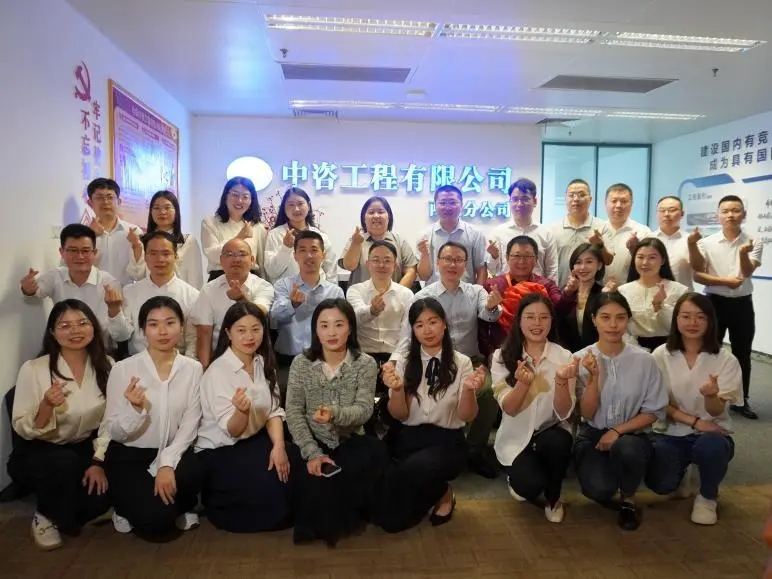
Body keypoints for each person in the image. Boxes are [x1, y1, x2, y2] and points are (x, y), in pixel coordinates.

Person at [374, 298, 485, 532]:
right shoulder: (404, 362)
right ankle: (432, 491)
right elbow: (399, 415)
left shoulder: (462, 362)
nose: (427, 330)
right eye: (419, 324)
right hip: (406, 437)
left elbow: (467, 416)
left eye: (433, 322)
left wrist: (468, 390)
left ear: (444, 324)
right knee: (387, 518)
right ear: (413, 330)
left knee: (414, 472)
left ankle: (442, 493)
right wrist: (397, 390)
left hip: (446, 441)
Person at [394, 241, 502, 479]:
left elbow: (489, 314)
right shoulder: (423, 296)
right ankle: (436, 446)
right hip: (429, 360)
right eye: (447, 259)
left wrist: (493, 307)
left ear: (465, 264)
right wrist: (394, 362)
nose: (453, 264)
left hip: (469, 361)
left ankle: (474, 450)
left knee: (488, 391)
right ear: (437, 262)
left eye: (458, 260)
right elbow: (407, 335)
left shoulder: (476, 291)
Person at [284, 299, 388, 546]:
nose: (331, 332)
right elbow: (294, 411)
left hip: (351, 439)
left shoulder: (365, 363)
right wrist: (312, 453)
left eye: (339, 325)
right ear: (315, 330)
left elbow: (364, 410)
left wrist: (334, 414)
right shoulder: (301, 363)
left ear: (350, 328)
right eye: (324, 325)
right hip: (310, 441)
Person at [11, 300, 112, 550]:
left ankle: (67, 509)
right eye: (65, 326)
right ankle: (45, 515)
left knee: (105, 493)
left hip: (85, 447)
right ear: (52, 333)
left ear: (94, 327)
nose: (75, 331)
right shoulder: (34, 369)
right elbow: (22, 426)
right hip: (40, 449)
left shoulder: (107, 365)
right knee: (64, 465)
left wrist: (98, 462)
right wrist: (46, 404)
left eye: (82, 323)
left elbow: (111, 421)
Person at [195, 302, 303, 532]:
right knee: (269, 484)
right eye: (241, 330)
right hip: (221, 448)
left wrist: (279, 446)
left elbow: (274, 411)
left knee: (294, 458)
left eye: (255, 329)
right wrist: (241, 412)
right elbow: (232, 430)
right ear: (228, 333)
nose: (249, 337)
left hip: (254, 439)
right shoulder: (218, 371)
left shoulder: (262, 362)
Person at [103, 296, 203, 539]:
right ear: (143, 330)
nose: (163, 331)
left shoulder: (193, 368)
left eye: (170, 322)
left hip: (175, 450)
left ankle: (179, 504)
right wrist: (134, 410)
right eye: (153, 324)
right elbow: (112, 430)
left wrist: (166, 463)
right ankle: (123, 507)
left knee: (199, 467)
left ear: (181, 326)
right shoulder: (123, 369)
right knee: (156, 525)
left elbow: (190, 424)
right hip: (131, 455)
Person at [573, 292, 668, 531]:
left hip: (632, 435)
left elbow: (653, 410)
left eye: (620, 317)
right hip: (593, 434)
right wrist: (593, 378)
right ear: (593, 319)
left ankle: (628, 498)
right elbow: (586, 412)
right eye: (605, 317)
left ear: (628, 319)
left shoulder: (645, 360)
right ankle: (613, 475)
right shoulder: (580, 359)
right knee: (598, 489)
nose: (613, 325)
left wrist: (617, 431)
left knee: (628, 448)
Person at [645, 293, 740, 525]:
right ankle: (684, 473)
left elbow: (716, 412)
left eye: (700, 317)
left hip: (712, 432)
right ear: (676, 320)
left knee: (711, 447)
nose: (693, 322)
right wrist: (695, 422)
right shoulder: (661, 355)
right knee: (661, 484)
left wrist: (711, 396)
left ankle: (707, 496)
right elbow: (659, 403)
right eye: (686, 316)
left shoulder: (725, 359)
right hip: (671, 430)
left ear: (710, 321)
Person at [491, 294, 577, 523]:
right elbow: (509, 409)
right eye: (530, 317)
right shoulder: (502, 356)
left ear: (552, 321)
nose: (537, 323)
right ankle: (521, 476)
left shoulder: (564, 357)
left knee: (559, 441)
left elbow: (564, 413)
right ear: (519, 321)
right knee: (528, 486)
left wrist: (561, 382)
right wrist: (522, 384)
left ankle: (554, 499)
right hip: (516, 435)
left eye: (543, 317)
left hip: (550, 430)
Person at [688, 194, 763, 420]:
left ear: (744, 215)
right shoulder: (706, 243)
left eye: (736, 210)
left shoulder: (754, 241)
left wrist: (742, 253)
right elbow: (698, 275)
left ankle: (741, 400)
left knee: (743, 353)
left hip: (742, 304)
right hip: (714, 303)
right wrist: (724, 281)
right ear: (718, 216)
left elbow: (747, 272)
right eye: (726, 211)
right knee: (710, 350)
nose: (730, 215)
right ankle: (704, 396)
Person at [20, 224, 132, 352]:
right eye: (73, 250)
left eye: (85, 250)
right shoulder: (55, 276)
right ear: (62, 252)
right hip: (64, 349)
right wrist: (27, 289)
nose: (79, 256)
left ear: (94, 253)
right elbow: (34, 291)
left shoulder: (109, 284)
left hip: (100, 351)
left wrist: (114, 310)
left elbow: (122, 336)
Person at [270, 231, 344, 379]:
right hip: (288, 360)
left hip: (325, 361)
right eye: (302, 250)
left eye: (314, 250)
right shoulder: (284, 285)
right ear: (295, 256)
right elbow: (275, 315)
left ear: (323, 255)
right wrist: (292, 304)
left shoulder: (335, 292)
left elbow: (343, 327)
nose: (309, 255)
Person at [191, 238, 275, 368]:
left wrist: (241, 299)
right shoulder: (209, 290)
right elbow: (204, 332)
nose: (236, 259)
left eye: (242, 254)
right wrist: (206, 369)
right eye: (229, 254)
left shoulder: (264, 286)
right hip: (220, 361)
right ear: (221, 260)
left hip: (256, 359)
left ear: (252, 260)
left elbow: (260, 314)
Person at [481, 235, 562, 356]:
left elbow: (560, 309)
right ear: (507, 257)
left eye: (528, 256)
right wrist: (488, 352)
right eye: (517, 255)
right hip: (501, 352)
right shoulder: (492, 286)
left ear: (536, 259)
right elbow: (481, 324)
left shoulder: (546, 286)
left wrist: (570, 292)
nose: (522, 261)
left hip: (539, 353)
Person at [122, 231, 199, 356]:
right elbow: (121, 335)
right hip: (137, 360)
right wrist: (114, 312)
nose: (159, 259)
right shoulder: (129, 291)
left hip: (177, 361)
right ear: (145, 257)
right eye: (153, 253)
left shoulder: (192, 295)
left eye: (166, 253)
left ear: (176, 257)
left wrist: (188, 365)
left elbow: (193, 340)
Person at [346, 240, 415, 377]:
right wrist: (372, 311)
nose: (381, 265)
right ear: (368, 264)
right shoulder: (355, 290)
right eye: (376, 260)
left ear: (395, 265)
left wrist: (395, 360)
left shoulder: (406, 294)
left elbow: (407, 332)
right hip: (361, 356)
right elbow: (354, 318)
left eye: (387, 260)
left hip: (396, 356)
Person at [618, 238, 688, 351]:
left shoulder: (679, 290)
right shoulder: (623, 291)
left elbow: (679, 327)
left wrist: (659, 306)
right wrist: (636, 350)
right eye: (640, 257)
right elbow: (621, 327)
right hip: (633, 349)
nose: (645, 262)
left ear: (663, 260)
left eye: (652, 258)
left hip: (669, 349)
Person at [486, 178, 558, 283]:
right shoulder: (498, 233)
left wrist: (551, 291)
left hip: (537, 290)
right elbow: (493, 270)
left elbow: (552, 270)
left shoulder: (546, 233)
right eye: (515, 199)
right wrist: (494, 256)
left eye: (525, 199)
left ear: (535, 201)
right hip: (508, 289)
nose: (519, 204)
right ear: (510, 202)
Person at [127, 191, 204, 289]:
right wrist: (136, 247)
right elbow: (136, 275)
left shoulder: (188, 241)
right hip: (150, 295)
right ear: (151, 212)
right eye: (156, 208)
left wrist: (194, 297)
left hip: (179, 294)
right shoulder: (141, 241)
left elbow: (195, 278)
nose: (162, 212)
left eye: (167, 208)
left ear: (176, 211)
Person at [339, 196, 418, 288]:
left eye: (380, 212)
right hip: (360, 296)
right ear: (364, 218)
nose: (376, 216)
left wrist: (396, 293)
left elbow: (411, 271)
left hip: (394, 296)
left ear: (389, 217)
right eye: (371, 212)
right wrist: (355, 243)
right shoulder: (356, 239)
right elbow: (349, 266)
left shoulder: (400, 241)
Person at [547, 179, 613, 289]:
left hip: (592, 292)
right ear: (565, 199)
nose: (576, 199)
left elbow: (609, 260)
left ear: (590, 199)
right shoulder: (552, 229)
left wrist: (600, 245)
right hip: (561, 291)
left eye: (581, 195)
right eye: (571, 195)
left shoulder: (602, 226)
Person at [264, 187, 337, 284]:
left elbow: (331, 270)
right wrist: (286, 248)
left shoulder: (320, 235)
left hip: (318, 290)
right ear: (284, 208)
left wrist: (332, 291)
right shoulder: (274, 234)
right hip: (287, 291)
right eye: (291, 205)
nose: (296, 209)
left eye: (300, 204)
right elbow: (272, 272)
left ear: (308, 205)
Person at [416, 185, 487, 285]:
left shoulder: (475, 234)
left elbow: (481, 269)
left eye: (453, 202)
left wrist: (478, 292)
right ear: (435, 205)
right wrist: (424, 255)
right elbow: (423, 276)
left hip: (466, 292)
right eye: (442, 203)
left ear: (461, 205)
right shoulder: (425, 236)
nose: (448, 207)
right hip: (433, 293)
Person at [200, 177, 267, 281]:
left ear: (251, 201)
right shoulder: (210, 223)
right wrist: (240, 237)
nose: (240, 201)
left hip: (251, 280)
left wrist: (265, 285)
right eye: (235, 195)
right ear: (225, 196)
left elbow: (262, 262)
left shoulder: (257, 226)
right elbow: (212, 255)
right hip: (220, 278)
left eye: (245, 197)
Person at [85, 177, 142, 286]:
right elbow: (70, 269)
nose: (105, 202)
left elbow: (139, 274)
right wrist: (90, 236)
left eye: (110, 197)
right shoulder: (82, 235)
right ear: (90, 203)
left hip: (125, 294)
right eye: (99, 197)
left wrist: (136, 245)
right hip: (92, 293)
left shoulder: (134, 232)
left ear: (119, 202)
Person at [556, 243, 605, 352]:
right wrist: (568, 293)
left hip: (597, 353)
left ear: (599, 265)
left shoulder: (604, 294)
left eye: (589, 262)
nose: (583, 267)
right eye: (578, 262)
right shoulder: (565, 293)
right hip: (567, 354)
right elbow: (556, 321)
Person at [600, 183, 652, 285]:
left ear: (631, 204)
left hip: (631, 290)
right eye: (614, 201)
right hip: (599, 290)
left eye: (624, 201)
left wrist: (636, 249)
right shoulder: (597, 230)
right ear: (605, 203)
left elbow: (652, 265)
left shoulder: (643, 232)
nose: (618, 206)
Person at [653, 196, 693, 290]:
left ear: (682, 213)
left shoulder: (691, 241)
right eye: (662, 210)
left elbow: (699, 269)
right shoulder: (648, 238)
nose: (666, 214)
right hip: (652, 293)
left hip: (683, 295)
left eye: (672, 210)